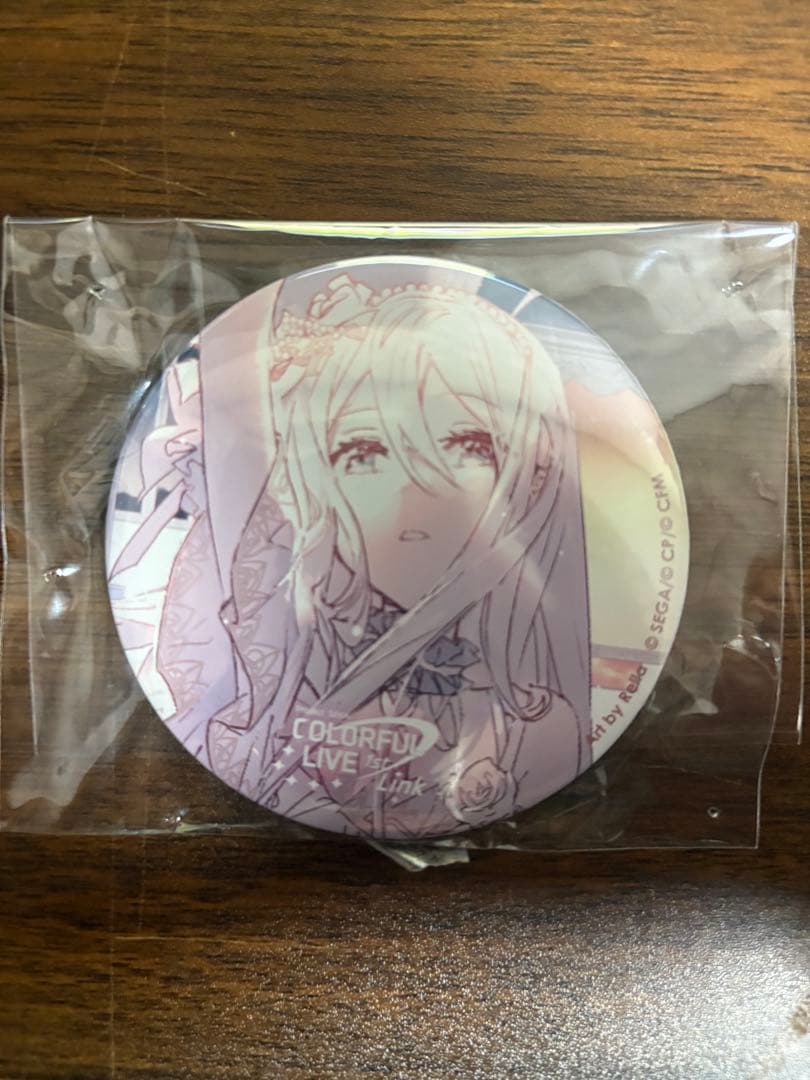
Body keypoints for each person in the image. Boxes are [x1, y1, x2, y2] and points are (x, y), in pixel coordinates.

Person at [109, 263, 593, 839]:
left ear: (530, 473)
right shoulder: (267, 664)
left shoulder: (537, 725)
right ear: (314, 481)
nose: (416, 496)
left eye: (467, 444)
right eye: (363, 453)